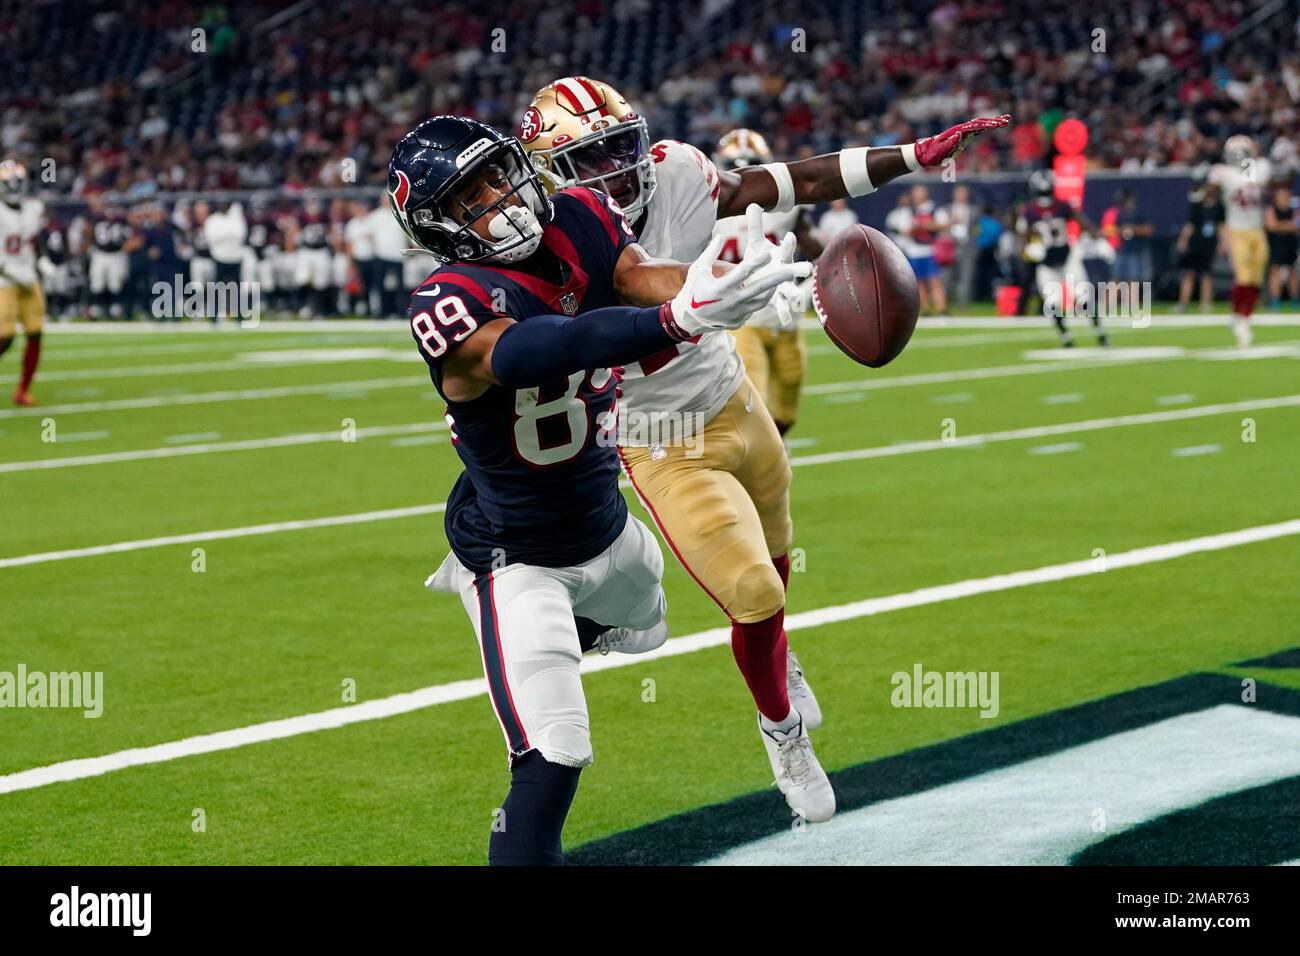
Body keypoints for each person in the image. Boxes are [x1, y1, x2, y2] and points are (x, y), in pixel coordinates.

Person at [522, 73, 1008, 821]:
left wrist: (913, 153)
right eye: (592, 157)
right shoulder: (548, 239)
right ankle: (782, 732)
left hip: (731, 396)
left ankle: (779, 658)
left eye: (621, 145)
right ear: (552, 172)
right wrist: (709, 291)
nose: (618, 167)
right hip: (661, 438)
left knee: (780, 559)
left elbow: (796, 179)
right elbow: (637, 284)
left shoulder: (678, 170)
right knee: (753, 591)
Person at [397, 115, 805, 865]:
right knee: (555, 754)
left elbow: (637, 278)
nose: (499, 199)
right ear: (438, 227)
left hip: (610, 531)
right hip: (515, 555)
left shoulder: (578, 216)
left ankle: (575, 640)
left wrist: (716, 282)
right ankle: (537, 659)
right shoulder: (447, 302)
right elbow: (534, 349)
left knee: (651, 620)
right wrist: (674, 320)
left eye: (497, 175)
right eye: (470, 198)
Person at [712, 128, 823, 436]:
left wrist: (826, 271)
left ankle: (770, 449)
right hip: (740, 318)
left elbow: (814, 246)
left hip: (784, 315)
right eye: (735, 166)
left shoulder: (786, 205)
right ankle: (756, 456)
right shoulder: (704, 210)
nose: (741, 175)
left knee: (789, 394)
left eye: (749, 166)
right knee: (753, 398)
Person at [1209, 135, 1271, 346]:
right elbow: (1212, 190)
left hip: (1257, 228)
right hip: (1236, 229)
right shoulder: (1223, 173)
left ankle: (1243, 316)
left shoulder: (1261, 167)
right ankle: (1240, 317)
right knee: (1244, 278)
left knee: (1255, 279)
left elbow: (1271, 181)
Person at [0, 160, 46, 405]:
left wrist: (44, 260)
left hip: (29, 276)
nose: (15, 187)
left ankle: (23, 390)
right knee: (5, 335)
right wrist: (7, 269)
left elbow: (35, 240)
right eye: (10, 183)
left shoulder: (33, 208)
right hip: (3, 279)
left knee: (35, 333)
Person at [1174, 180, 1225, 314]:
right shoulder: (1197, 206)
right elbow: (1190, 225)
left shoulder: (1219, 206)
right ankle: (1183, 303)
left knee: (1206, 275)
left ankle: (1205, 303)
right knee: (1189, 274)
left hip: (1209, 244)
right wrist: (1183, 240)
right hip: (1195, 243)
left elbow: (1220, 227)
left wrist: (1222, 243)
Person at [1265, 183, 1298, 308]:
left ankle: (1294, 299)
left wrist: (1281, 225)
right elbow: (1271, 226)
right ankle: (1275, 299)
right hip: (1276, 244)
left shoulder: (1293, 210)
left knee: (1292, 272)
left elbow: (1296, 225)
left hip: (1290, 243)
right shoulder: (1272, 209)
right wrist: (1288, 226)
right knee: (1275, 271)